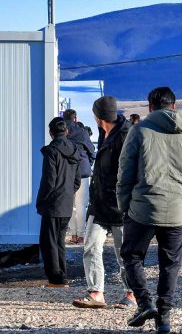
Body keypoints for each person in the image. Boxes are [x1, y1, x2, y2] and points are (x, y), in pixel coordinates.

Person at [118, 87, 182, 334]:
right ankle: (163, 317)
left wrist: (124, 205)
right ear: (174, 106)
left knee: (132, 256)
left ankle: (144, 302)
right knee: (170, 264)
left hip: (143, 209)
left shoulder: (139, 131)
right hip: (179, 210)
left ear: (150, 107)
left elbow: (126, 172)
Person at [73, 96, 134, 309]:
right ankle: (96, 292)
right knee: (90, 246)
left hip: (120, 207)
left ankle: (132, 294)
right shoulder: (104, 132)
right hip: (99, 204)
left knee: (124, 253)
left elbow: (131, 172)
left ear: (98, 117)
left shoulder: (125, 136)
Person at [36, 117, 81, 287]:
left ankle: (56, 278)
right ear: (66, 131)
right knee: (60, 240)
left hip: (53, 203)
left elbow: (49, 180)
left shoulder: (51, 151)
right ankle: (62, 274)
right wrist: (69, 192)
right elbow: (77, 180)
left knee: (49, 241)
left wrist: (42, 200)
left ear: (51, 133)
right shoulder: (75, 149)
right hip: (67, 202)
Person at [63, 109, 96, 245]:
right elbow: (91, 150)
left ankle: (73, 235)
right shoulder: (82, 132)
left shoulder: (61, 131)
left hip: (66, 172)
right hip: (82, 171)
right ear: (75, 118)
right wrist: (89, 163)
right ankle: (81, 235)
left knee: (70, 205)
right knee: (81, 205)